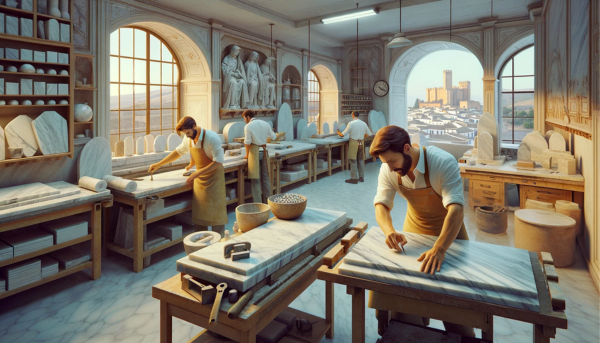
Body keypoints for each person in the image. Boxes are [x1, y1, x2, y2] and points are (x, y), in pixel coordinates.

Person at [368, 125, 474, 337]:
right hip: (415, 231)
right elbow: (381, 205)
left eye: (391, 162)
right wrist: (389, 230)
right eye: (385, 163)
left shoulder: (442, 162)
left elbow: (456, 210)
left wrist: (440, 248)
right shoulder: (389, 168)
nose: (389, 168)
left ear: (407, 148)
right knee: (404, 298)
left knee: (456, 308)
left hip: (450, 236)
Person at [148, 117, 227, 235]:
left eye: (188, 133)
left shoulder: (211, 137)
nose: (187, 136)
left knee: (216, 213)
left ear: (194, 126)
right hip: (199, 179)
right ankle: (201, 242)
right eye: (185, 134)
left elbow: (218, 161)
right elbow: (177, 152)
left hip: (214, 178)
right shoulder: (188, 138)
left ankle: (219, 240)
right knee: (200, 213)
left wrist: (197, 172)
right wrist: (159, 164)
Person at [242, 110, 277, 203]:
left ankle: (258, 204)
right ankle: (268, 202)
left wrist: (246, 154)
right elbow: (274, 137)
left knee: (255, 179)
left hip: (254, 152)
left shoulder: (248, 126)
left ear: (248, 117)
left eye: (244, 119)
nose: (245, 121)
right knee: (265, 177)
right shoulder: (265, 123)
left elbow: (247, 142)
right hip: (264, 151)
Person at [337, 111, 372, 184]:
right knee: (360, 160)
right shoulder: (363, 123)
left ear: (352, 115)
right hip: (361, 142)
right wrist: (362, 137)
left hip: (353, 142)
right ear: (358, 115)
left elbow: (342, 135)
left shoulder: (351, 124)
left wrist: (338, 132)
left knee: (353, 160)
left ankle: (354, 178)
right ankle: (361, 177)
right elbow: (369, 134)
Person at [222, 45, 249, 109]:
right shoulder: (227, 58)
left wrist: (239, 74)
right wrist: (232, 73)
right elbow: (224, 68)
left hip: (237, 76)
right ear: (232, 51)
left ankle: (241, 104)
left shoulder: (238, 60)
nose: (236, 54)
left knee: (242, 82)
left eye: (237, 53)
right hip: (230, 76)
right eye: (235, 52)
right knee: (233, 82)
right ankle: (232, 103)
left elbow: (240, 70)